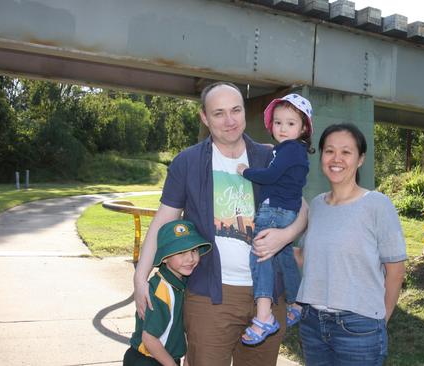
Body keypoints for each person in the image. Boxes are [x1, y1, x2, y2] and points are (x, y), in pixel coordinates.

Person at [133, 82, 308, 366]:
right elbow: (164, 219)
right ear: (204, 117)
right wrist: (140, 276)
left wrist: (285, 235)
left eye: (236, 110)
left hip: (267, 297)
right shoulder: (187, 163)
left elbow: (302, 208)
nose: (230, 121)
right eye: (219, 113)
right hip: (209, 296)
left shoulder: (268, 157)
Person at [296, 123, 407, 366]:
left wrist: (380, 321)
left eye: (346, 152)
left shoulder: (377, 204)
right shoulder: (316, 205)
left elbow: (396, 271)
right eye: (329, 151)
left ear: (360, 159)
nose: (336, 159)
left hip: (359, 327)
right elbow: (306, 257)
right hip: (313, 324)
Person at [236, 94, 314, 345]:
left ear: (303, 128)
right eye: (278, 123)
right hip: (286, 211)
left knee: (261, 256)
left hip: (274, 211)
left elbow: (271, 175)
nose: (283, 128)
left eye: (291, 124)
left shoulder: (290, 150)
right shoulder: (292, 150)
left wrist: (245, 171)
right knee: (284, 255)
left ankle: (264, 315)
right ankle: (297, 302)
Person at [124, 219, 212, 366]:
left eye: (194, 250)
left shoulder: (180, 284)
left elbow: (179, 325)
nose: (190, 258)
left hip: (165, 358)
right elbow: (149, 339)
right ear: (165, 258)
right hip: (146, 361)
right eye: (181, 252)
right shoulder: (161, 290)